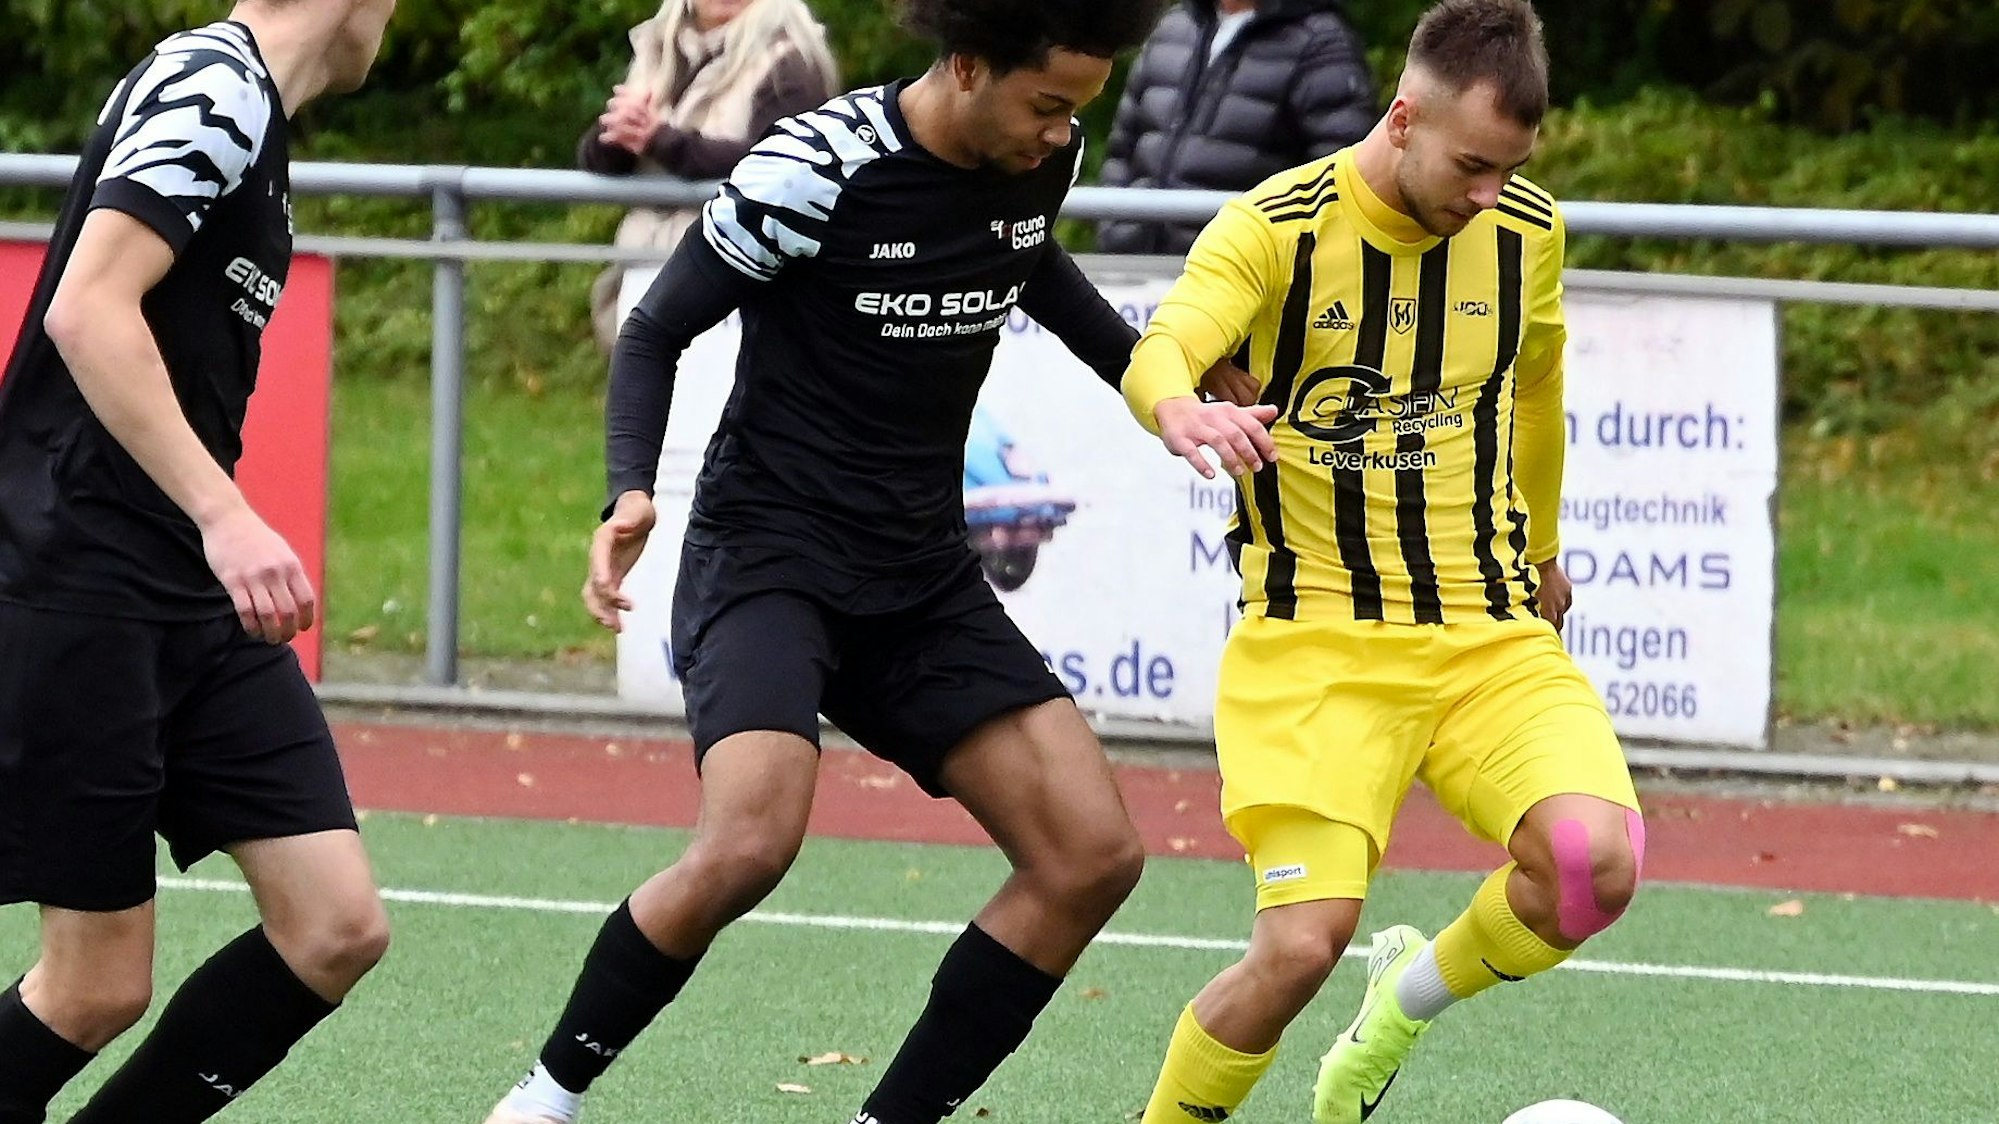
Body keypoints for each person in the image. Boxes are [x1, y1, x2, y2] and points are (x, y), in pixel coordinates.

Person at [479, 1, 1265, 1122]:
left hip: (918, 572)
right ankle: (547, 1091)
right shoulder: (814, 167)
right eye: (1045, 104)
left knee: (1090, 853)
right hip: (772, 553)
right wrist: (628, 488)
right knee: (750, 838)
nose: (1060, 135)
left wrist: (1169, 393)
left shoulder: (1044, 148)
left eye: (1076, 111)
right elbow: (656, 326)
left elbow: (1031, 263)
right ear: (966, 62)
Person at [1119, 2, 1644, 1121]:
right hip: (1314, 644)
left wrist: (1543, 546)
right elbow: (1167, 341)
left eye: (1509, 169)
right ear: (1401, 118)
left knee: (1592, 865)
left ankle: (1400, 1003)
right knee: (1299, 947)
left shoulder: (1526, 231)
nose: (1485, 194)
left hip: (1486, 632)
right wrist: (1175, 406)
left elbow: (1538, 382)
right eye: (1468, 164)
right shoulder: (1274, 228)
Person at [0, 2, 398, 1122]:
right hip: (82, 581)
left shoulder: (255, 115)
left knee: (334, 924)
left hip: (190, 594)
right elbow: (89, 309)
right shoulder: (213, 85)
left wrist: (211, 533)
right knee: (94, 986)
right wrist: (229, 517)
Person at [579, 0, 839, 350]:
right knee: (643, 403)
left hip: (735, 281)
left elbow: (782, 165)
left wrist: (662, 141)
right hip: (647, 267)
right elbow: (599, 161)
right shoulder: (660, 50)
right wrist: (618, 133)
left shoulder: (791, 64)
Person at [1096, 0, 1375, 256]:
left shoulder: (1321, 42)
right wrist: (1114, 228)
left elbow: (1338, 179)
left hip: (1236, 274)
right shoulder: (1175, 26)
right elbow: (1123, 148)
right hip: (1133, 273)